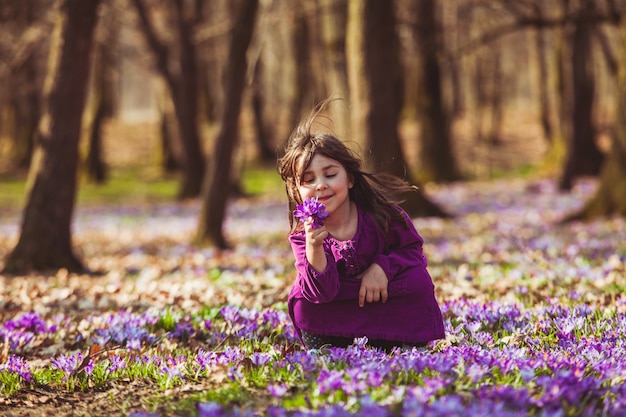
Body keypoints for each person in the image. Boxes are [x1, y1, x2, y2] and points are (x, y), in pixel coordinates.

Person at [277, 101, 445, 352]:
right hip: (338, 309)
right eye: (309, 180)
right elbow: (321, 293)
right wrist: (315, 247)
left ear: (351, 179)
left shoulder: (383, 215)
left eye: (330, 174)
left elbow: (412, 252)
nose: (320, 185)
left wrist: (382, 268)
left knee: (418, 282)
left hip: (384, 299)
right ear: (296, 191)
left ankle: (404, 341)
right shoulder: (304, 236)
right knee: (304, 302)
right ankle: (326, 346)